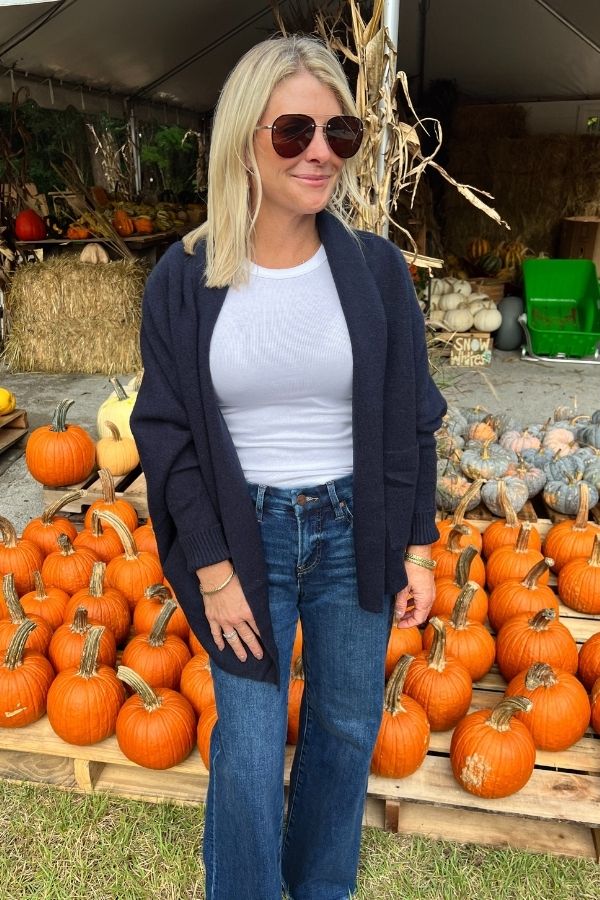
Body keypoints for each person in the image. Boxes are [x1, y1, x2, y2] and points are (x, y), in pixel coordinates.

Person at [131, 33, 446, 900]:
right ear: (245, 140)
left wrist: (419, 547)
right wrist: (211, 566)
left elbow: (413, 418)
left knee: (345, 728)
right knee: (247, 740)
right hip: (246, 534)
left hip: (355, 527)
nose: (320, 153)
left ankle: (321, 889)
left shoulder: (377, 272)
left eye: (338, 133)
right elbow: (166, 435)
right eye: (294, 131)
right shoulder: (182, 279)